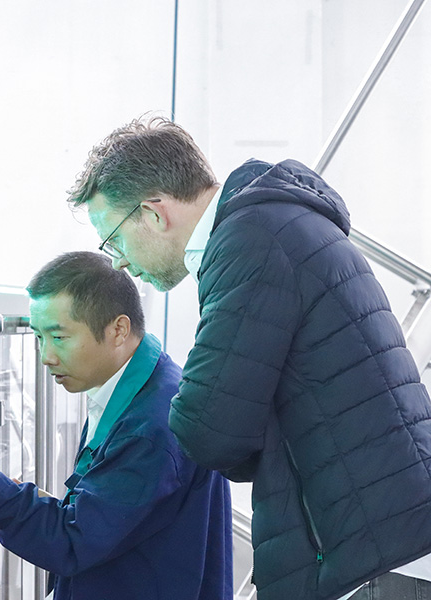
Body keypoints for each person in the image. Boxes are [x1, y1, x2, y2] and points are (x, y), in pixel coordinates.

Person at [67, 113, 431, 600]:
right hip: (384, 538)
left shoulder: (249, 241)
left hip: (371, 555)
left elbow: (208, 429)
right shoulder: (277, 223)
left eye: (114, 239)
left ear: (153, 213)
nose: (118, 261)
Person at [0, 251, 233, 600]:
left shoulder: (149, 426)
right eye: (39, 337)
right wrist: (33, 507)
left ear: (118, 330)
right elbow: (113, 516)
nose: (46, 356)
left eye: (59, 337)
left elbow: (73, 541)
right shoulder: (139, 386)